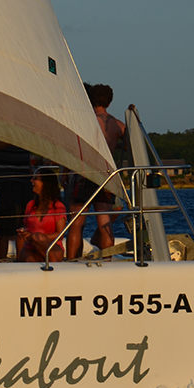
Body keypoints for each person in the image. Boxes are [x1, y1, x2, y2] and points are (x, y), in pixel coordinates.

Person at [67, 83, 128, 259]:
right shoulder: (118, 125)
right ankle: (107, 260)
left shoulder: (83, 121)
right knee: (105, 223)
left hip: (84, 173)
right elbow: (130, 144)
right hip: (106, 177)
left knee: (76, 224)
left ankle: (71, 262)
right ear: (109, 103)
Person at [0, 138, 33, 259]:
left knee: (22, 222)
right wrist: (14, 138)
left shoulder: (23, 130)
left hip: (24, 179)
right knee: (5, 223)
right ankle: (2, 259)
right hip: (6, 180)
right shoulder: (0, 129)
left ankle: (20, 258)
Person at [17, 171, 66, 263]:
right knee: (29, 259)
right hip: (31, 248)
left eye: (35, 178)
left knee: (37, 237)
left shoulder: (58, 206)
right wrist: (24, 232)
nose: (31, 180)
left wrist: (34, 237)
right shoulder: (30, 205)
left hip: (52, 248)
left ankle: (54, 266)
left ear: (45, 183)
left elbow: (60, 234)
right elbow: (26, 227)